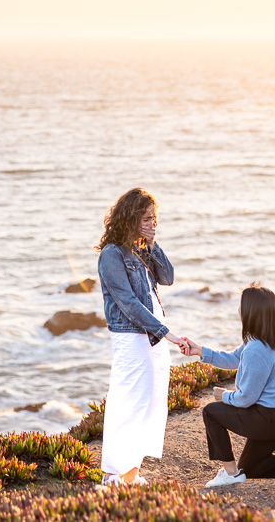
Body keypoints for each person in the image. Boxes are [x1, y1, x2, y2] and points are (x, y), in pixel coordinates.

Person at [182, 283, 275, 487]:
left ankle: (230, 474)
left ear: (251, 312)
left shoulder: (256, 349)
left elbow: (246, 399)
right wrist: (200, 351)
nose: (238, 308)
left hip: (271, 419)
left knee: (211, 412)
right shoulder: (266, 340)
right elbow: (233, 358)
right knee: (251, 467)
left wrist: (224, 396)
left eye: (241, 304)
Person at [96, 187, 187, 486]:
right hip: (134, 337)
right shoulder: (112, 254)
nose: (152, 224)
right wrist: (167, 333)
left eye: (155, 219)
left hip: (152, 337)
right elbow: (128, 303)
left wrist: (152, 244)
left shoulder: (141, 250)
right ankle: (112, 473)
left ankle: (131, 472)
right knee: (130, 402)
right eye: (147, 219)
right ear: (131, 218)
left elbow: (168, 278)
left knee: (151, 403)